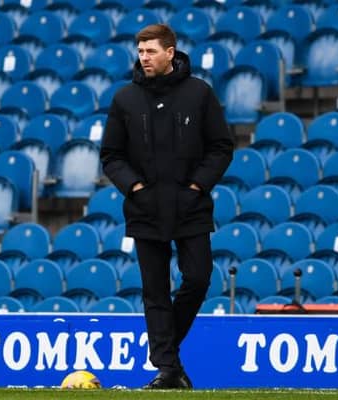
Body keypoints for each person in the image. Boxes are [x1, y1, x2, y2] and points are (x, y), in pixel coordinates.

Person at [100, 24, 234, 389]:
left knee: (198, 278)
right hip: (144, 208)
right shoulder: (125, 98)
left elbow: (221, 146)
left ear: (170, 53)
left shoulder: (199, 93)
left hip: (191, 206)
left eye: (151, 51)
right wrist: (136, 188)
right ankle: (168, 369)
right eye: (140, 51)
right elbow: (111, 156)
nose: (144, 57)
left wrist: (196, 186)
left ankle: (166, 349)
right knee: (154, 291)